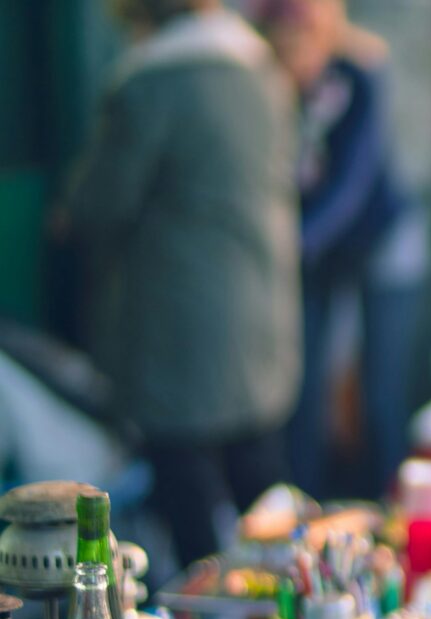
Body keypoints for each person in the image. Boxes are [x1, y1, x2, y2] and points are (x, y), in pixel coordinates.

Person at [61, 0, 300, 567]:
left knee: (188, 494)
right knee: (260, 482)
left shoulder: (151, 83)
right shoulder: (260, 68)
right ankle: (285, 597)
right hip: (262, 306)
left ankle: (210, 604)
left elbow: (99, 204)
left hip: (181, 322)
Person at [254, 0, 429, 500]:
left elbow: (353, 180)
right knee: (302, 383)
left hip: (380, 237)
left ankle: (387, 502)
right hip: (316, 250)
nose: (294, 57)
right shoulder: (268, 87)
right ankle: (301, 503)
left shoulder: (358, 75)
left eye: (300, 41)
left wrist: (293, 243)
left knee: (380, 389)